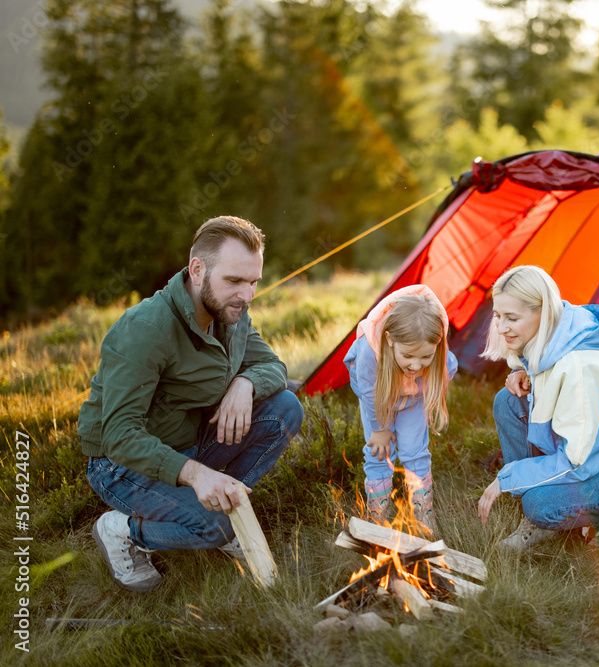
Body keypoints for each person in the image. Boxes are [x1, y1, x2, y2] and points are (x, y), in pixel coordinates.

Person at [79, 216, 304, 592]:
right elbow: (118, 435)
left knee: (286, 408)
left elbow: (274, 367)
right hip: (121, 464)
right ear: (197, 270)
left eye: (253, 282)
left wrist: (245, 384)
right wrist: (198, 475)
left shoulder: (230, 313)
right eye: (234, 281)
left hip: (191, 440)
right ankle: (122, 530)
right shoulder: (145, 329)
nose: (246, 296)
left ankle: (224, 506)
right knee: (214, 525)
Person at [476, 265, 599, 549]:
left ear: (542, 315)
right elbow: (547, 367)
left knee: (539, 504)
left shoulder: (579, 369)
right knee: (508, 402)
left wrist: (510, 477)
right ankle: (549, 512)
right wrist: (525, 371)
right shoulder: (552, 338)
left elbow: (579, 463)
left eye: (512, 318)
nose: (501, 327)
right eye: (497, 315)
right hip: (597, 453)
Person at [344, 285, 458, 535]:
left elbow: (446, 370)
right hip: (378, 396)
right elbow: (370, 393)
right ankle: (377, 521)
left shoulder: (440, 358)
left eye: (425, 357)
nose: (416, 365)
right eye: (408, 356)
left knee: (415, 452)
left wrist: (423, 389)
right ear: (390, 340)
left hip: (413, 398)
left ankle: (422, 518)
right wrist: (380, 429)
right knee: (379, 451)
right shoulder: (369, 351)